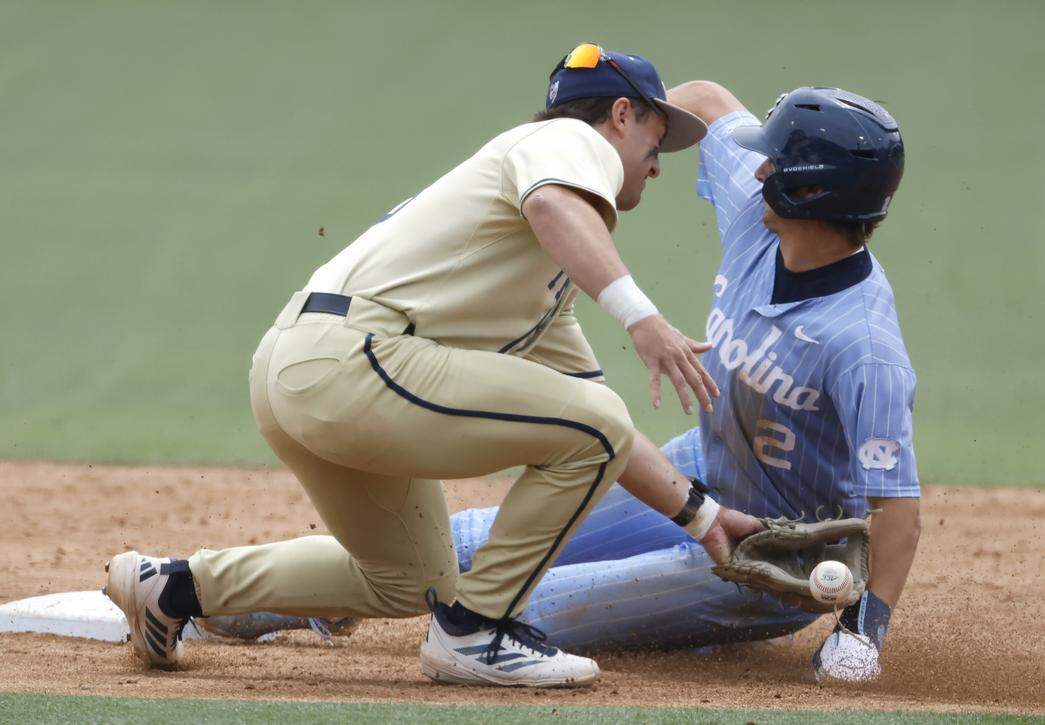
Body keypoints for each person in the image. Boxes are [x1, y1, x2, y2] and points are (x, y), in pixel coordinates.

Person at [103, 45, 764, 688]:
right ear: (620, 114)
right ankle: (478, 630)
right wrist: (643, 319)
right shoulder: (569, 143)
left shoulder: (545, 272)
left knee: (409, 579)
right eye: (657, 132)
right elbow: (552, 205)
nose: (660, 161)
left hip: (303, 367)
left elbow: (606, 437)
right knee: (596, 425)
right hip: (354, 361)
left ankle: (175, 587)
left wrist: (706, 520)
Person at [447, 82, 922, 682]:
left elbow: (898, 508)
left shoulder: (864, 348)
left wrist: (863, 629)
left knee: (524, 609)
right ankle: (291, 601)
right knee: (470, 544)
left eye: (773, 161)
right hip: (700, 472)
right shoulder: (761, 217)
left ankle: (694, 619)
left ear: (808, 189)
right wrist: (609, 145)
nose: (758, 168)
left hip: (771, 554)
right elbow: (703, 97)